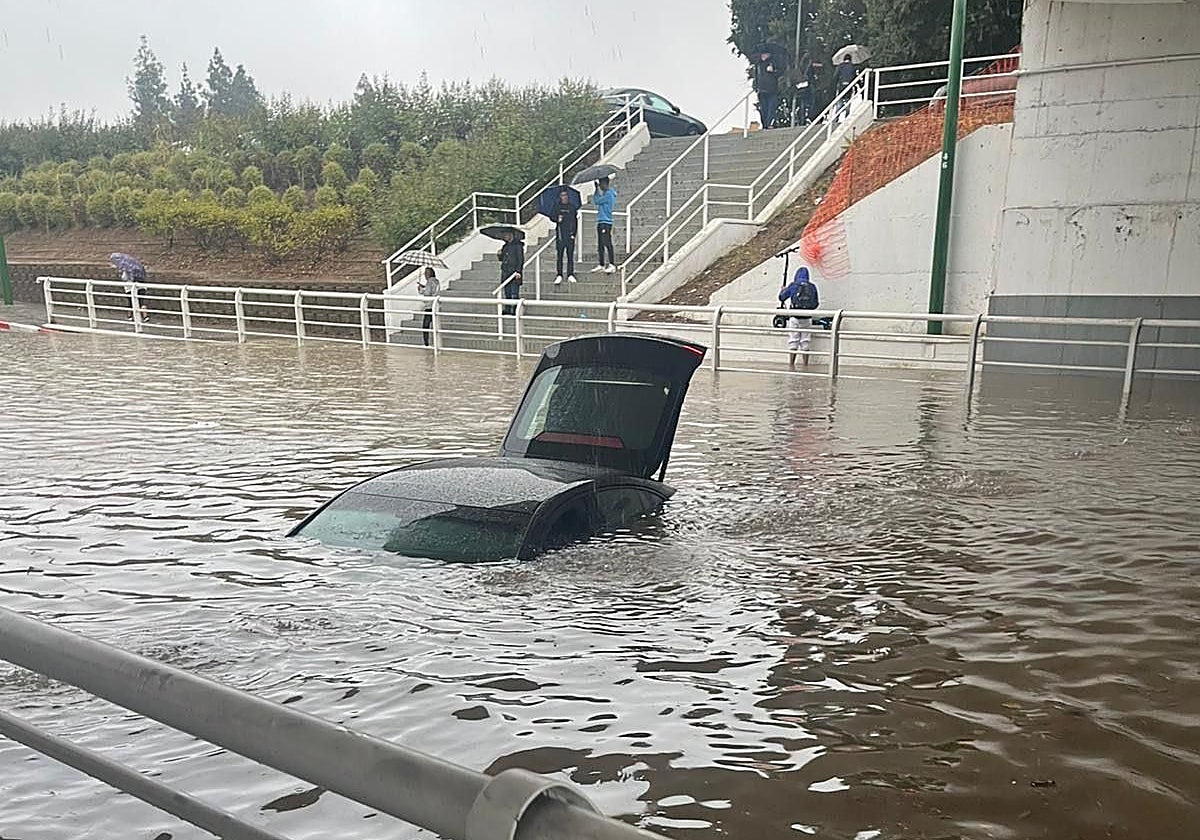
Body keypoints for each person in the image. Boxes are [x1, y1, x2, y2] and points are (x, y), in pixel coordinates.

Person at [778, 266, 819, 369]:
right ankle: (805, 365)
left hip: (794, 317)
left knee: (793, 340)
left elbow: (781, 297)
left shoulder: (793, 285)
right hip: (807, 318)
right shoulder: (812, 286)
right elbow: (816, 303)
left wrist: (783, 290)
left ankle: (791, 365)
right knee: (805, 341)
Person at [590, 176, 617, 274]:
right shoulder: (606, 194)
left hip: (606, 222)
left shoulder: (609, 194)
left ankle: (612, 264)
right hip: (601, 221)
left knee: (607, 242)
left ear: (605, 183)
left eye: (601, 184)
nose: (600, 186)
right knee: (600, 244)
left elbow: (597, 201)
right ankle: (601, 264)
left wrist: (596, 190)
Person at [552, 190, 578, 284]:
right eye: (563, 195)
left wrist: (573, 234)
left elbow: (575, 222)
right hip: (560, 235)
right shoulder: (557, 207)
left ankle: (570, 274)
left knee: (570, 255)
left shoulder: (572, 207)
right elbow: (552, 216)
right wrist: (557, 219)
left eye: (566, 195)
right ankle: (559, 274)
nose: (565, 197)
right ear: (560, 197)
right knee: (560, 256)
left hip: (569, 234)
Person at [753, 51, 783, 129]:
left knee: (771, 108)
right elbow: (756, 76)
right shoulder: (758, 65)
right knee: (763, 109)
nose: (764, 56)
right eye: (763, 54)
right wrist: (756, 87)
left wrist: (773, 71)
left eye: (766, 54)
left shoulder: (773, 62)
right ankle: (765, 124)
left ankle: (770, 124)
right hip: (762, 90)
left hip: (772, 89)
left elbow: (780, 72)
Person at [499, 230, 524, 315]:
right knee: (507, 292)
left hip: (514, 271)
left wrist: (518, 271)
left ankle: (515, 309)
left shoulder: (518, 245)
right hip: (506, 271)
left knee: (514, 292)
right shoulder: (505, 246)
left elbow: (520, 259)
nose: (505, 236)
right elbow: (502, 258)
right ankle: (508, 308)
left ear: (511, 234)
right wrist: (499, 254)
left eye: (506, 234)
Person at [416, 266, 439, 346]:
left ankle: (426, 343)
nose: (425, 275)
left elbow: (428, 293)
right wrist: (423, 286)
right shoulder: (436, 281)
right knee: (435, 324)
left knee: (425, 325)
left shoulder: (429, 281)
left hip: (429, 306)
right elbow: (432, 290)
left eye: (426, 273)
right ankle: (436, 341)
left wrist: (421, 290)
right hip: (436, 305)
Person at [797, 53, 817, 125]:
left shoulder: (800, 67)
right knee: (810, 102)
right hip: (808, 87)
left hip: (800, 87)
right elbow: (812, 77)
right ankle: (807, 117)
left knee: (802, 104)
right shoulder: (809, 66)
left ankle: (801, 119)